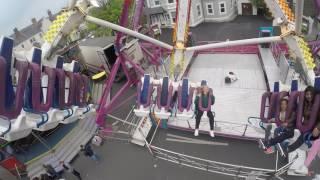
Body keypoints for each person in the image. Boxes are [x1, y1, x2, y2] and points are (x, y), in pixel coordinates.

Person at [281, 86, 320, 154]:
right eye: (307, 94)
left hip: (313, 130)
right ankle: (281, 142)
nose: (309, 96)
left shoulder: (317, 106)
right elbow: (297, 114)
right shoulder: (305, 104)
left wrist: (318, 127)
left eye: (311, 94)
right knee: (291, 130)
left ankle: (288, 149)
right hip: (304, 127)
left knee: (303, 136)